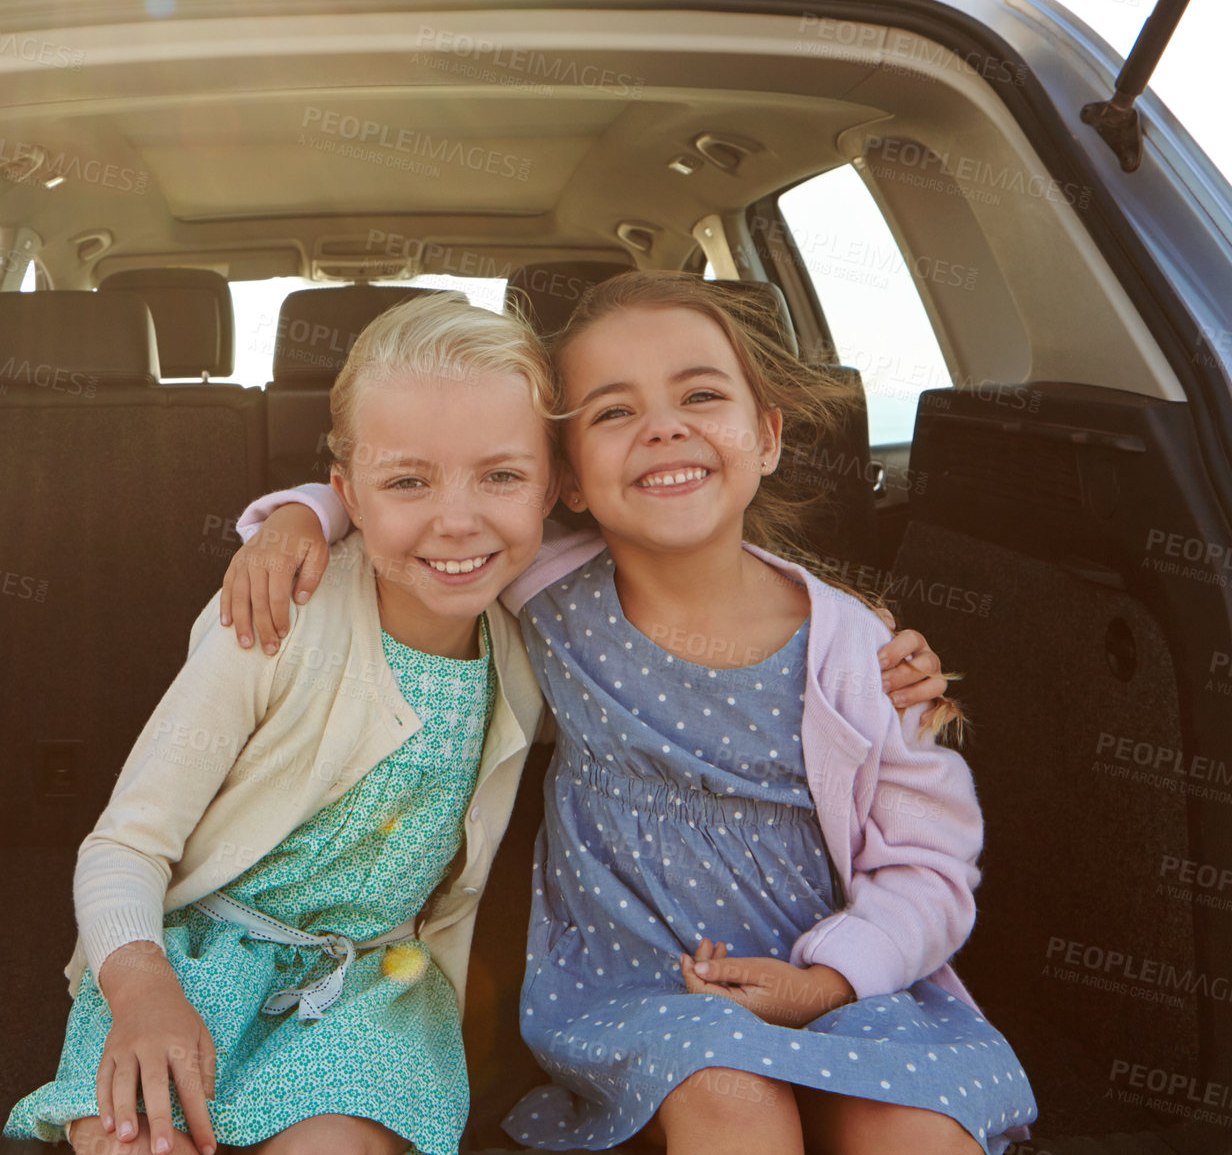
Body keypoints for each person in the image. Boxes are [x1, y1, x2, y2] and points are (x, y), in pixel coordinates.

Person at [226, 274, 1034, 1155]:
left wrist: (833, 981)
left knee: (913, 1129)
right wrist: (301, 516)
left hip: (847, 981)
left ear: (764, 437)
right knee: (728, 1092)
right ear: (563, 480)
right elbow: (421, 490)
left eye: (699, 395)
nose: (663, 426)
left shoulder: (858, 653)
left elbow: (930, 865)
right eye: (613, 412)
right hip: (638, 983)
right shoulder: (541, 584)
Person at [4, 292, 559, 1155]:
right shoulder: (272, 618)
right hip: (186, 965)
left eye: (502, 475)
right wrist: (142, 989)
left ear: (551, 486)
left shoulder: (536, 635)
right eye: (407, 480)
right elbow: (124, 846)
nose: (458, 518)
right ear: (350, 494)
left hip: (375, 985)